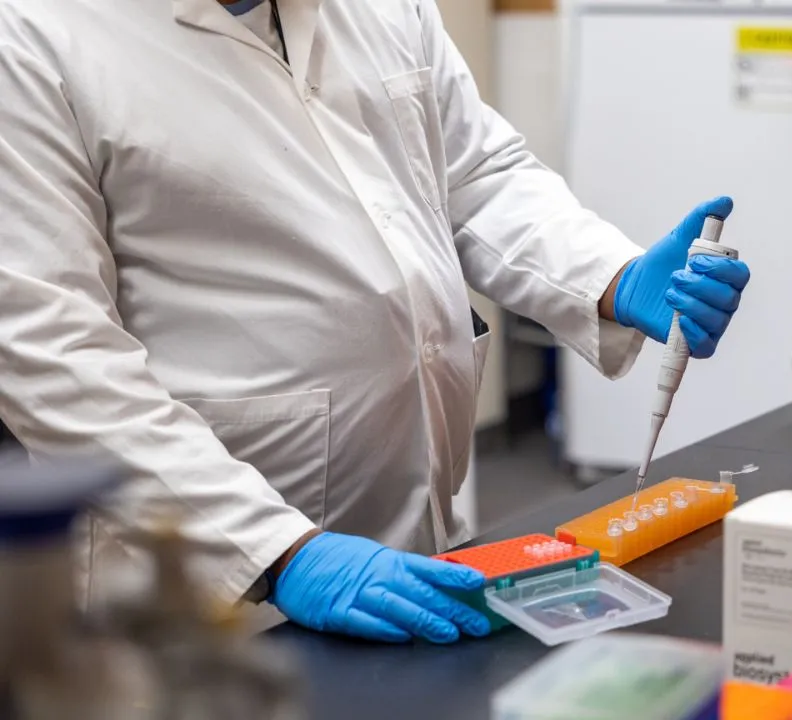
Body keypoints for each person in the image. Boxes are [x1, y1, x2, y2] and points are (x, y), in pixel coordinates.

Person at [0, 0, 751, 645]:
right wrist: (276, 550)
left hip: (420, 531)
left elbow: (475, 174)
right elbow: (55, 352)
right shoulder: (34, 35)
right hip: (207, 569)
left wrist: (611, 277)